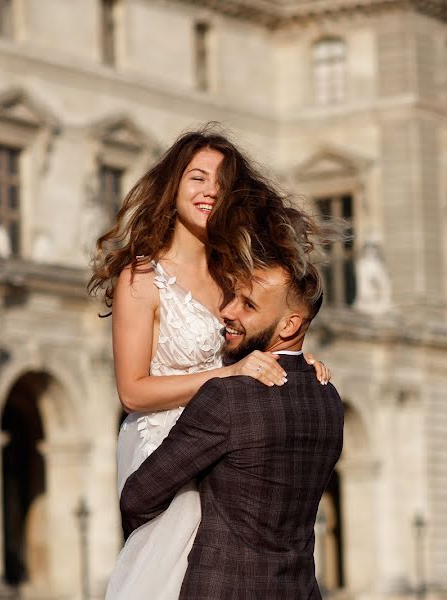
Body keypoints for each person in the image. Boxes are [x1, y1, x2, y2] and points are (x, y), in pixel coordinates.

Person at [88, 125, 331, 599]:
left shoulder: (233, 273)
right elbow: (132, 391)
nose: (209, 190)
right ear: (173, 186)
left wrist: (296, 358)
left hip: (228, 429)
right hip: (163, 438)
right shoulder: (141, 276)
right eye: (197, 177)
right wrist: (227, 376)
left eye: (221, 182)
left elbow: (258, 340)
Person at [120, 214, 344, 598]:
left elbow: (138, 496)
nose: (227, 312)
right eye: (233, 296)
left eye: (248, 305)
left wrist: (172, 539)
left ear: (290, 324)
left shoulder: (228, 397)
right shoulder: (329, 398)